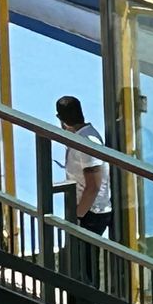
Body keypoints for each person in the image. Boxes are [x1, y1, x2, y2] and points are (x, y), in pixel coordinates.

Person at [56, 96, 112, 240]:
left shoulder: (87, 142)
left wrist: (77, 216)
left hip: (91, 213)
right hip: (86, 210)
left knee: (84, 260)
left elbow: (93, 186)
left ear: (60, 119)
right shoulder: (81, 137)